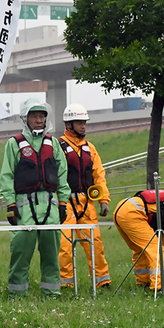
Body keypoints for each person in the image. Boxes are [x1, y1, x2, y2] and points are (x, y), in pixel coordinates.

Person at [0, 98, 71, 299]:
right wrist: (11, 204)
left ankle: (52, 293)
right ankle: (16, 295)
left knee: (51, 255)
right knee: (21, 254)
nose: (39, 120)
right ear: (25, 119)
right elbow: (7, 175)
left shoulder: (53, 143)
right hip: (24, 208)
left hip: (51, 207)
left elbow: (62, 174)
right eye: (34, 116)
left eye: (42, 116)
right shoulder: (13, 144)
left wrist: (63, 202)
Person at [57, 103, 111, 290]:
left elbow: (99, 174)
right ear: (69, 124)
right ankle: (66, 284)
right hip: (66, 203)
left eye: (84, 122)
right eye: (79, 122)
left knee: (95, 242)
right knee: (64, 245)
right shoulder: (59, 146)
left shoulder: (90, 148)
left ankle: (102, 282)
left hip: (86, 203)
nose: (83, 126)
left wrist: (103, 200)